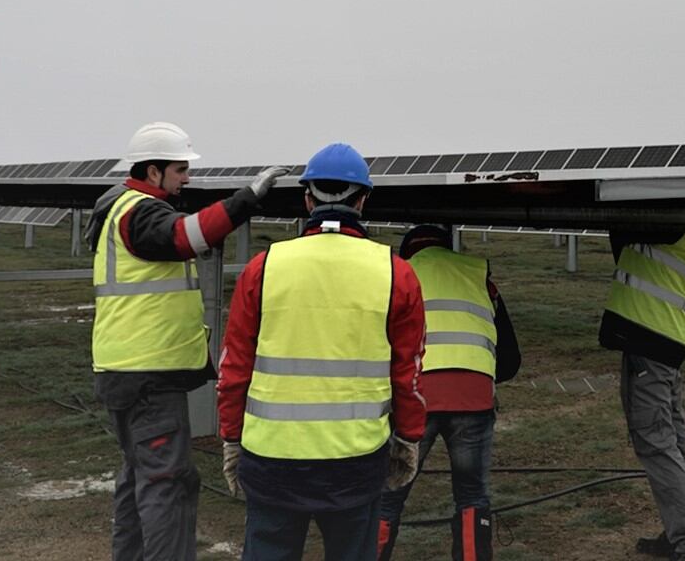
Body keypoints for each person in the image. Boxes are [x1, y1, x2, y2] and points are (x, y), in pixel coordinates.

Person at [216, 143, 428, 561]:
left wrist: (231, 438)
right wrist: (408, 437)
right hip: (355, 463)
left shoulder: (263, 267)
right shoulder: (396, 273)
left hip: (272, 459)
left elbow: (234, 367)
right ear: (363, 200)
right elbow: (409, 373)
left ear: (307, 198)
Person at [88, 120, 284, 561]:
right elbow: (185, 235)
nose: (187, 178)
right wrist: (246, 201)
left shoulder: (119, 207)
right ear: (152, 171)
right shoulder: (139, 211)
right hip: (147, 377)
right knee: (167, 483)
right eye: (179, 169)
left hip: (128, 372)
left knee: (139, 476)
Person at [376, 224, 523, 560]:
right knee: (472, 496)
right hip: (473, 396)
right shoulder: (478, 275)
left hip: (415, 397)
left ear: (409, 250)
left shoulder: (398, 276)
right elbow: (511, 360)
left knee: (389, 493)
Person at [602, 225, 685, 561]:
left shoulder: (661, 207)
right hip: (670, 336)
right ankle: (681, 533)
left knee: (656, 442)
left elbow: (627, 227)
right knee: (673, 438)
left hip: (650, 331)